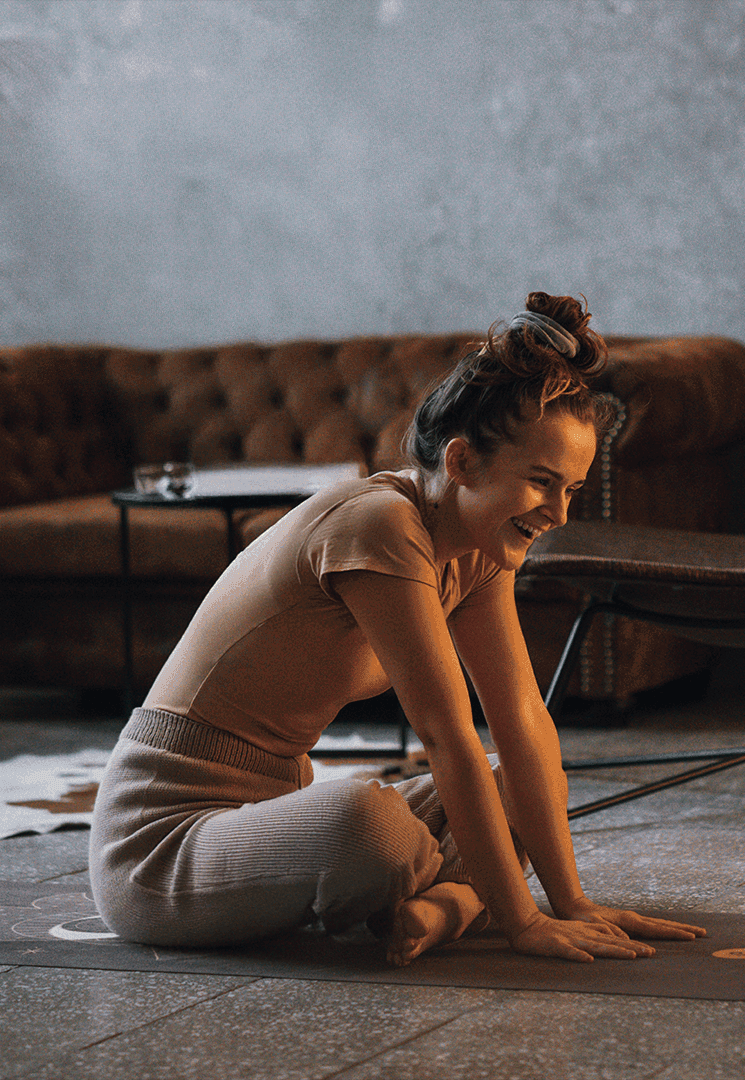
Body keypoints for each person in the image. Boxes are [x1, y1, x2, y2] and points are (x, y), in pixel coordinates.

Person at [88, 292, 705, 966]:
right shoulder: (377, 523)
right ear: (463, 462)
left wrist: (572, 902)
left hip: (276, 817)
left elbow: (521, 720)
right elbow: (445, 737)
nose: (558, 512)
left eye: (571, 489)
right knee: (371, 830)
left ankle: (440, 907)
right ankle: (457, 898)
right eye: (541, 482)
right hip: (163, 846)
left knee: (526, 781)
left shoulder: (474, 546)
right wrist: (523, 922)